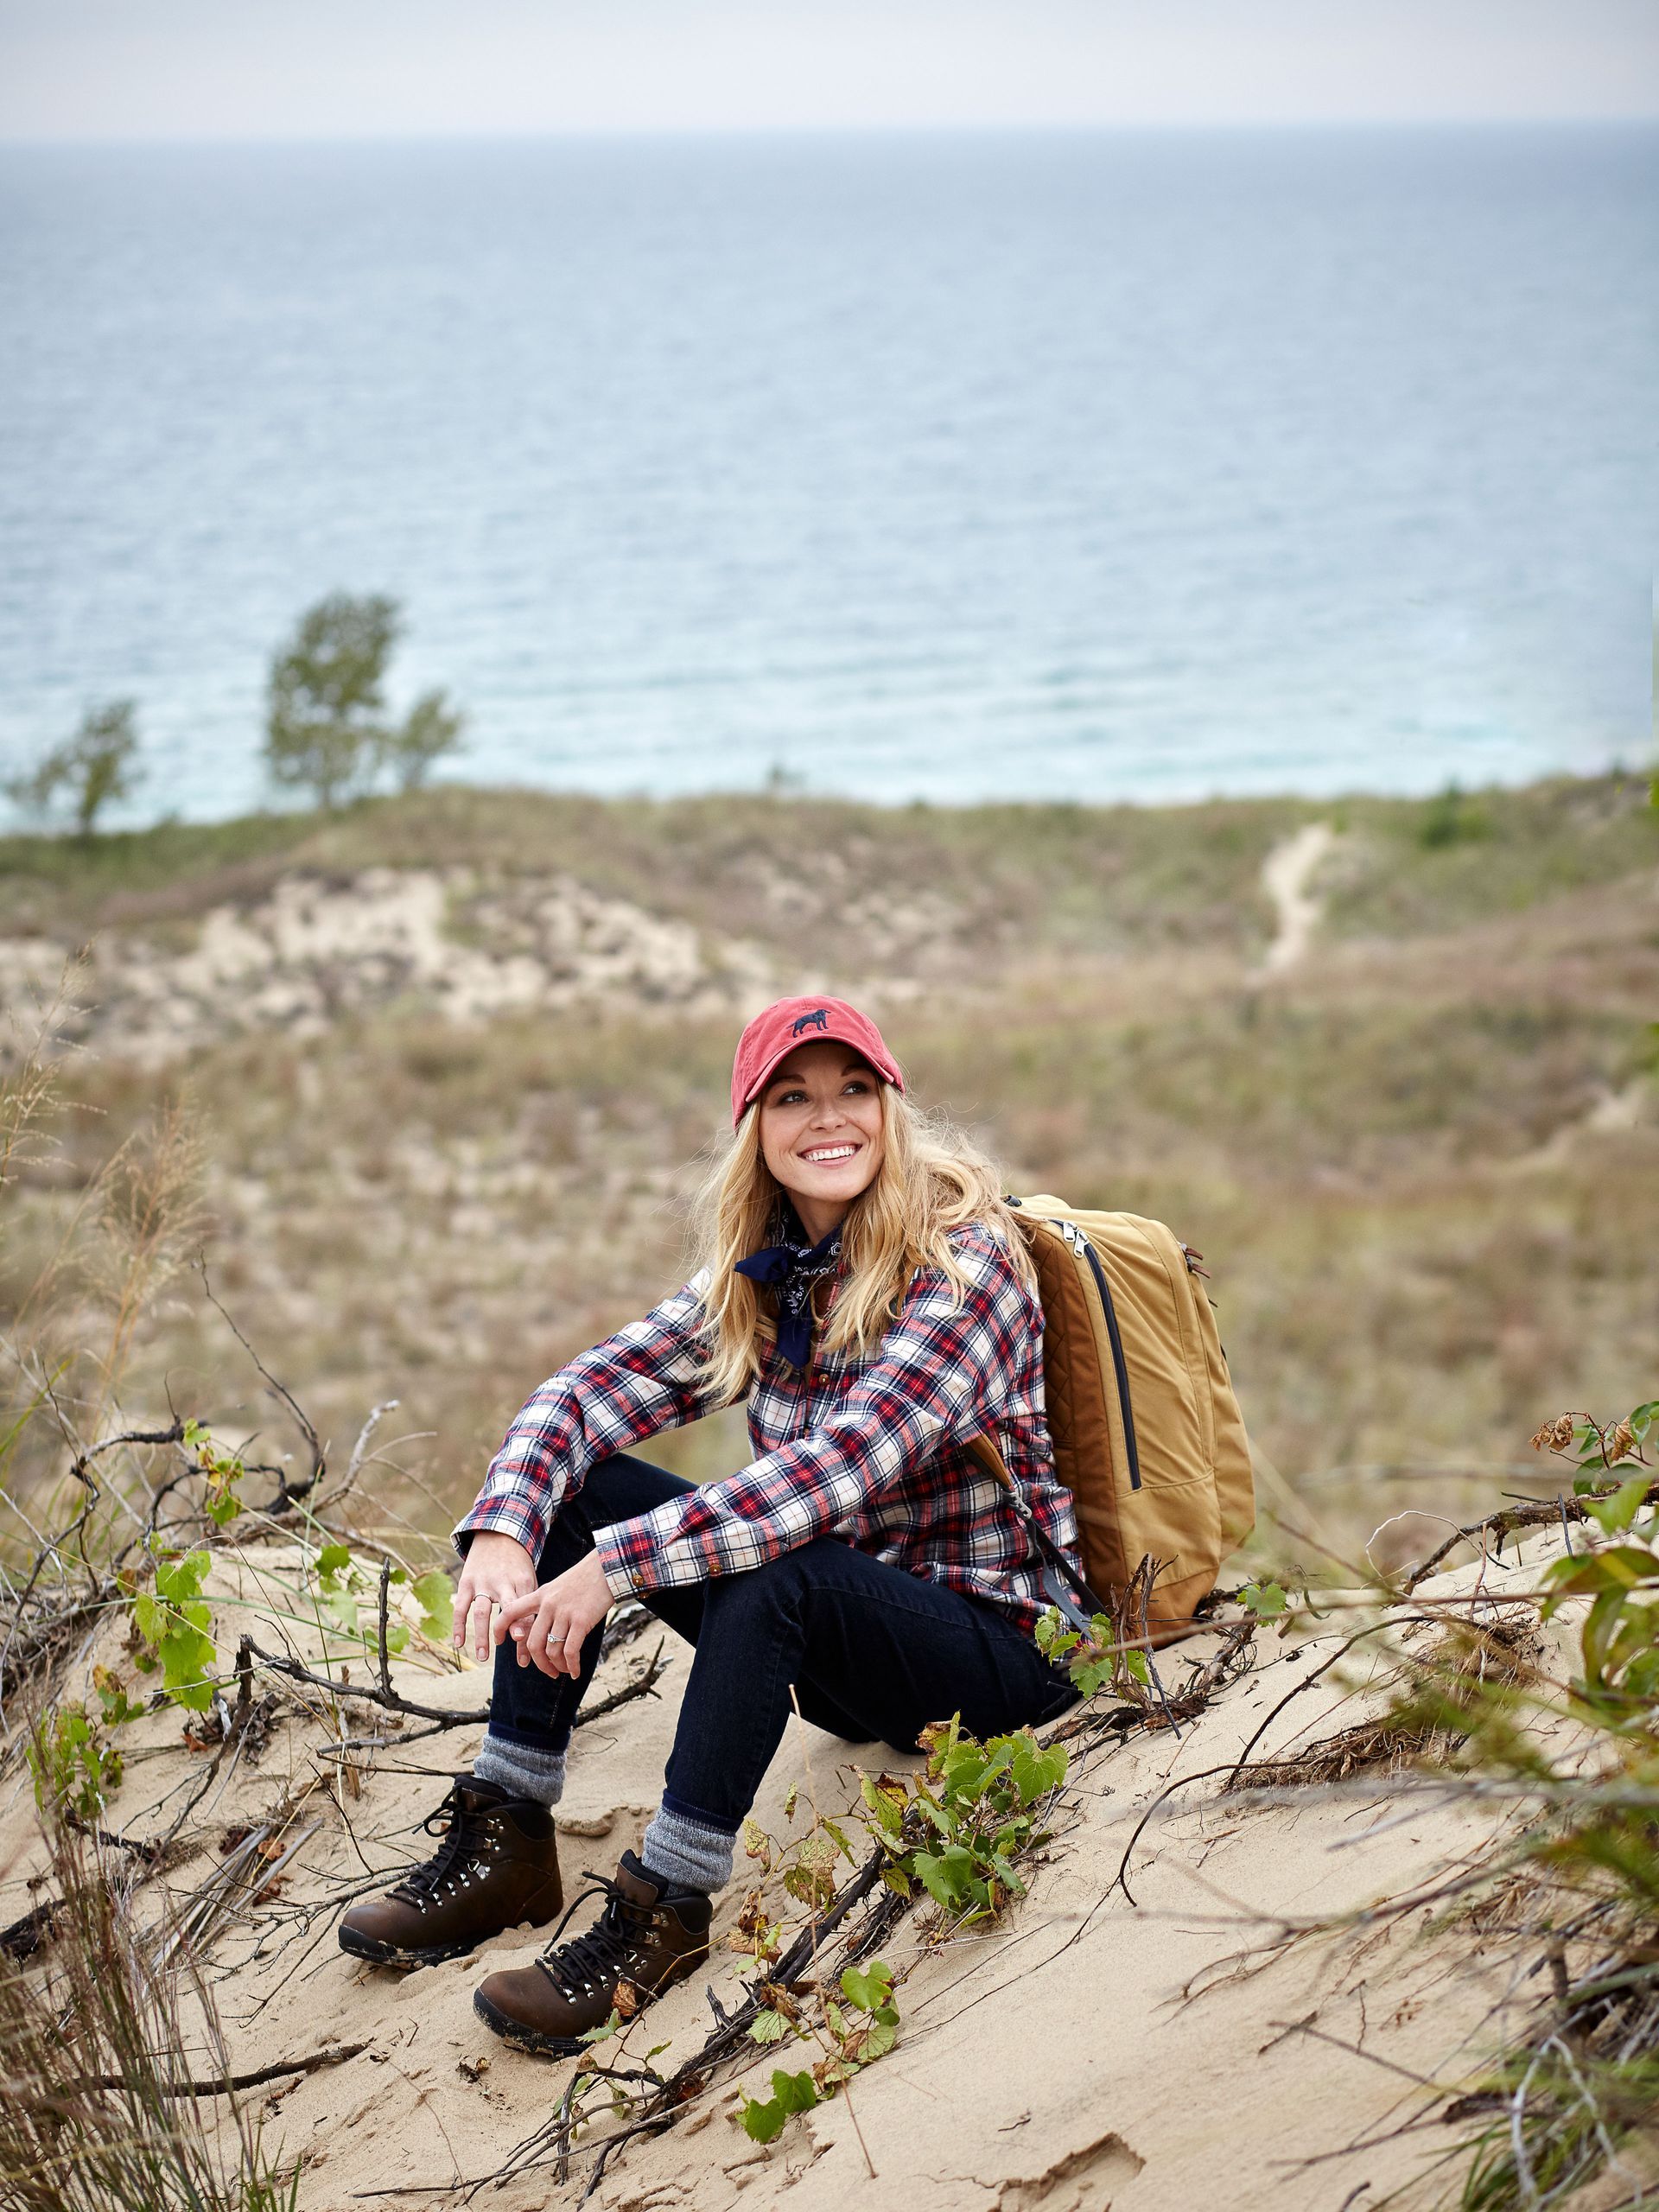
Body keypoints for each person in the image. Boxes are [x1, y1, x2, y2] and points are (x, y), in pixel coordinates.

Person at [338, 995, 1081, 2054]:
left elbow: (834, 1471)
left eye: (853, 1091)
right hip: (858, 1650)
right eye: (794, 1097)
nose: (830, 1119)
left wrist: (615, 1567)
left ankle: (665, 1909)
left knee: (782, 1564)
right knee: (580, 1474)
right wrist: (507, 1527)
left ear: (891, 1107)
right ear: (757, 1130)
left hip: (1003, 1657)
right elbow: (585, 1394)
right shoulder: (771, 1270)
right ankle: (507, 1835)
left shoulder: (969, 1266)